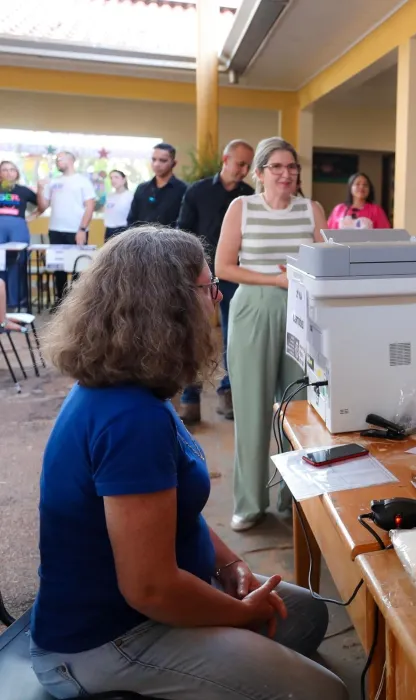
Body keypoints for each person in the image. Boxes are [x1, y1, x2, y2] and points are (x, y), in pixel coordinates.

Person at [29, 226, 346, 699]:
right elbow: (150, 589)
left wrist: (231, 564)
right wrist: (239, 613)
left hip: (158, 602)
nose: (217, 297)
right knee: (325, 692)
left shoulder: (138, 389)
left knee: (307, 614)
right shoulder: (130, 419)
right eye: (207, 287)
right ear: (169, 307)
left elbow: (174, 510)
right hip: (111, 639)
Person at [216, 137, 327, 532]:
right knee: (252, 408)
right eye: (276, 167)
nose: (286, 173)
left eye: (292, 167)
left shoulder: (311, 209)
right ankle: (249, 503)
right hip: (253, 308)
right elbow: (223, 267)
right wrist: (274, 280)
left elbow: (327, 261)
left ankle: (292, 497)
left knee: (298, 407)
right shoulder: (241, 207)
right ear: (259, 173)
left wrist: (300, 277)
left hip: (302, 310)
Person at [176, 139, 256, 425]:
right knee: (194, 334)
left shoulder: (249, 197)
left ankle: (228, 392)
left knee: (234, 335)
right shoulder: (197, 191)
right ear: (225, 160)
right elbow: (183, 232)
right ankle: (190, 399)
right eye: (240, 164)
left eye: (248, 165)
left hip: (234, 275)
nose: (244, 170)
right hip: (199, 274)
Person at [41, 151, 95, 307]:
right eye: (56, 159)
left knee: (78, 269)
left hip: (76, 231)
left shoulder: (83, 181)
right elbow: (44, 205)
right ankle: (60, 302)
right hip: (55, 230)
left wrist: (82, 229)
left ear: (71, 160)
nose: (57, 161)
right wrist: (40, 188)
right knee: (59, 269)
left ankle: (76, 305)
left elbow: (90, 207)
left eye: (61, 158)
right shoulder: (53, 182)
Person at [0, 160, 42, 308]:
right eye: (4, 169)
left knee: (18, 263)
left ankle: (16, 301)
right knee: (0, 263)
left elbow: (42, 204)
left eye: (12, 169)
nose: (8, 172)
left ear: (17, 173)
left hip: (18, 227)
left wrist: (33, 216)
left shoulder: (23, 190)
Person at [127, 142, 187, 227]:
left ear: (174, 163)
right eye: (154, 159)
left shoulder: (183, 189)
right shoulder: (142, 188)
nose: (156, 164)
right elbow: (132, 219)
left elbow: (185, 222)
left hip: (170, 235)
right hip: (142, 235)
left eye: (163, 160)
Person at [325, 172, 391, 230]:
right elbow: (329, 233)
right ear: (350, 187)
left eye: (365, 185)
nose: (361, 187)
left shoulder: (376, 210)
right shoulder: (339, 209)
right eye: (357, 184)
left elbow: (385, 235)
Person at [103, 170, 132, 240]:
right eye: (111, 178)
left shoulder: (130, 196)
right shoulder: (109, 196)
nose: (113, 180)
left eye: (116, 177)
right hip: (109, 230)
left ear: (124, 179)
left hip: (123, 230)